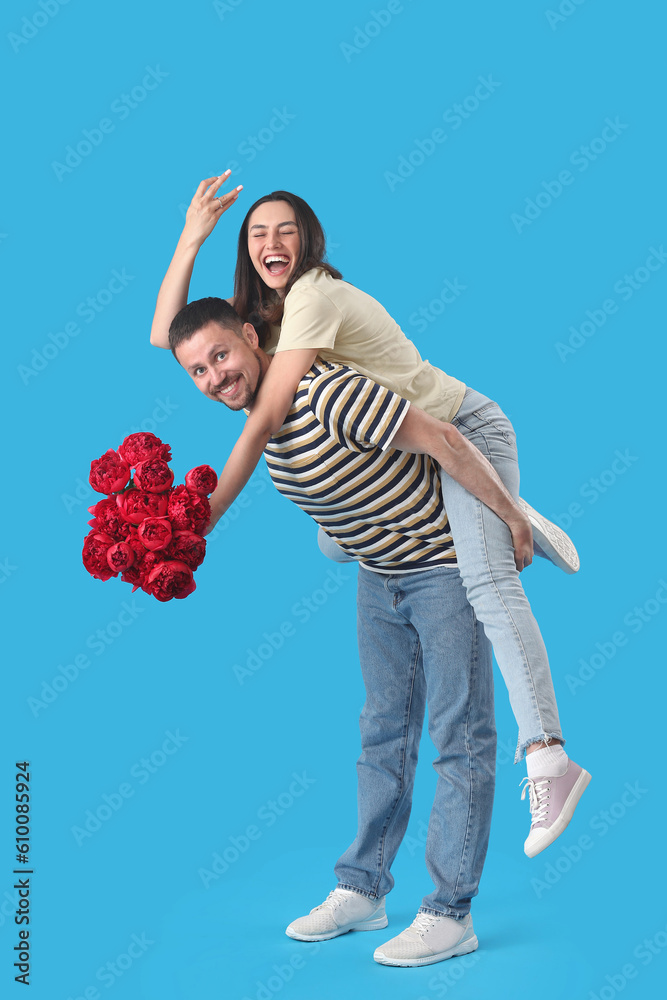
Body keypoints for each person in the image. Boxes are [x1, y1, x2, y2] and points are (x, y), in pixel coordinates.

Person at [150, 180, 590, 853]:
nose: (270, 243)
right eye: (256, 234)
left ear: (311, 239)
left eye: (284, 230)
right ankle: (505, 504)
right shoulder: (265, 318)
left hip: (461, 431)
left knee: (489, 583)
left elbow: (268, 415)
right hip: (413, 449)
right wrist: (191, 236)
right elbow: (168, 336)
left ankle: (549, 758)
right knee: (336, 540)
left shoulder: (312, 299)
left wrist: (203, 517)